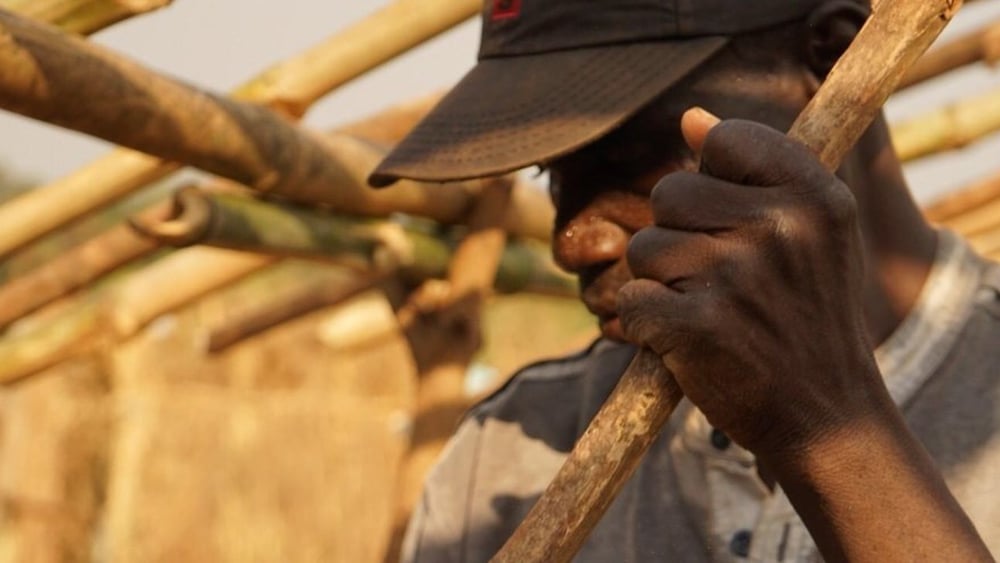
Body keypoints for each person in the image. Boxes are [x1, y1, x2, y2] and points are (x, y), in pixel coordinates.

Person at [369, 0, 1000, 561]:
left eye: (634, 156)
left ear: (838, 61)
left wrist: (829, 425)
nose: (571, 243)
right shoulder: (499, 458)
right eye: (551, 174)